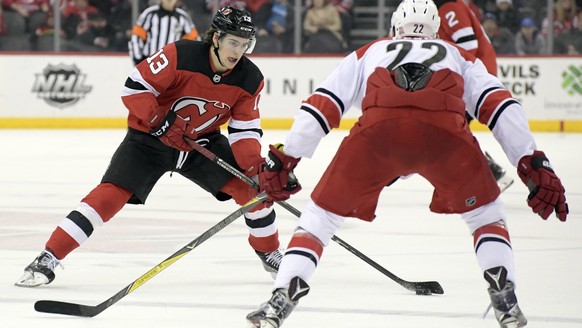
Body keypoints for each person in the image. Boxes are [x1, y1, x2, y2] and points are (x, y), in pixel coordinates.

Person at [246, 0, 569, 327]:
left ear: (395, 27)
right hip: (445, 137)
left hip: (377, 136)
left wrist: (288, 155)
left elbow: (323, 104)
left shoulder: (372, 50)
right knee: (486, 216)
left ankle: (281, 298)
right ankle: (505, 298)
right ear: (437, 30)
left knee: (319, 219)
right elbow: (501, 106)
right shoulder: (458, 55)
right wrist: (531, 160)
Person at [16, 6, 284, 288]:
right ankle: (49, 256)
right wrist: (160, 119)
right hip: (149, 140)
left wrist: (255, 168)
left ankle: (270, 252)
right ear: (216, 38)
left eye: (244, 45)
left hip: (201, 144)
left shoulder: (250, 78)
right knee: (109, 196)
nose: (238, 51)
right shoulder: (180, 54)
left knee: (256, 191)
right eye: (233, 42)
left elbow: (244, 130)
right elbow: (134, 88)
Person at [435, 0, 514, 192]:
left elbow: (468, 45)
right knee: (450, 132)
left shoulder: (448, 7)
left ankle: (489, 175)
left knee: (449, 132)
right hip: (473, 76)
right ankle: (486, 176)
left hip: (474, 78)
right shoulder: (446, 7)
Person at [129, 0, 201, 66]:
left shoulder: (183, 18)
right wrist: (138, 60)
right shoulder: (149, 14)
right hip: (149, 64)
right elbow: (136, 37)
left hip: (172, 67)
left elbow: (194, 42)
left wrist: (185, 62)